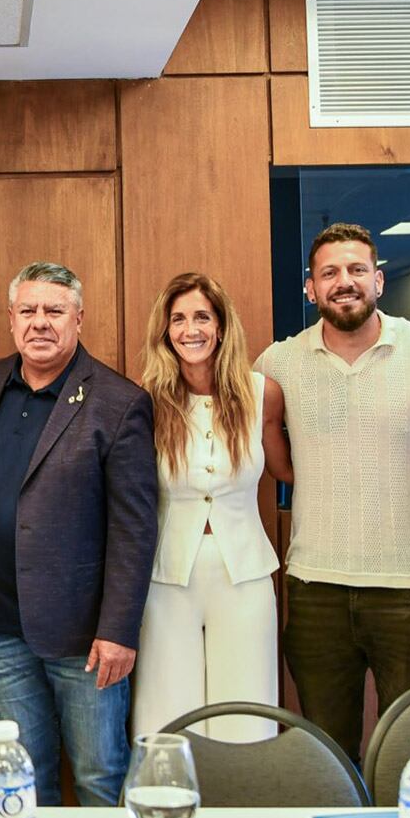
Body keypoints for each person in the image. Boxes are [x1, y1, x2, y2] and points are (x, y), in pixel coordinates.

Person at [255, 222, 410, 756]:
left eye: (357, 270)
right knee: (328, 753)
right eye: (330, 273)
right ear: (310, 288)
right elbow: (258, 446)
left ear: (379, 281)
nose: (345, 281)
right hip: (316, 589)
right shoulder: (278, 363)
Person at [0, 261, 158, 807]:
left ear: (79, 319)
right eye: (29, 310)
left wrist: (119, 629)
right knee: (26, 778)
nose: (40, 323)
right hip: (0, 622)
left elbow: (135, 529)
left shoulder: (118, 403)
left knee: (99, 776)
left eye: (54, 311)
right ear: (11, 318)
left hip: (84, 637)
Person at [132, 273, 292, 742]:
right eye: (177, 319)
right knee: (164, 714)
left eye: (202, 316)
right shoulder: (147, 400)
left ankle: (241, 808)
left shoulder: (262, 393)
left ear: (221, 326)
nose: (190, 329)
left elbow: (287, 470)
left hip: (243, 573)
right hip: (166, 578)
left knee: (247, 712)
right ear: (165, 331)